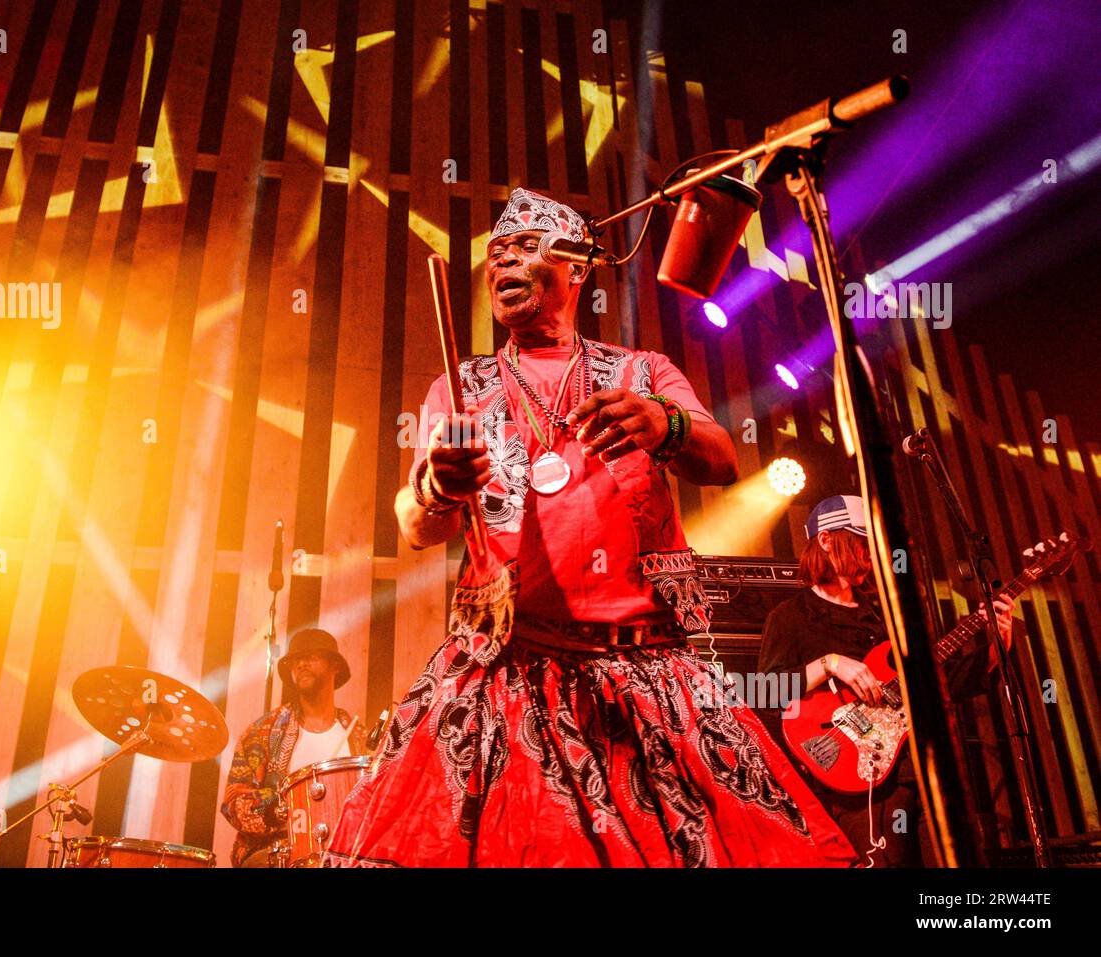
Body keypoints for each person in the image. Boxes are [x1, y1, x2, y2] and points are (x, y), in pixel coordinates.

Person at [323, 187, 857, 867]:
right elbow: (415, 524)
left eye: (522, 247)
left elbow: (721, 459)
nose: (501, 263)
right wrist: (434, 486)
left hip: (646, 670)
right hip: (509, 670)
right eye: (495, 255)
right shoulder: (465, 386)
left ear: (575, 268)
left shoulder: (641, 371)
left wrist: (666, 424)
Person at [758, 494, 1015, 866]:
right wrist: (830, 664)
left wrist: (996, 646)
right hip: (861, 780)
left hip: (921, 767)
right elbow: (766, 691)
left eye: (871, 546)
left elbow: (940, 684)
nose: (868, 556)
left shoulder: (885, 613)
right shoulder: (791, 616)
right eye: (861, 543)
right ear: (827, 540)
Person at [220, 629, 367, 866]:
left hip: (342, 856)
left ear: (335, 667)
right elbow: (234, 803)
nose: (301, 664)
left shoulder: (358, 737)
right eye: (295, 660)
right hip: (278, 856)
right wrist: (295, 809)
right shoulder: (262, 732)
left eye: (311, 656)